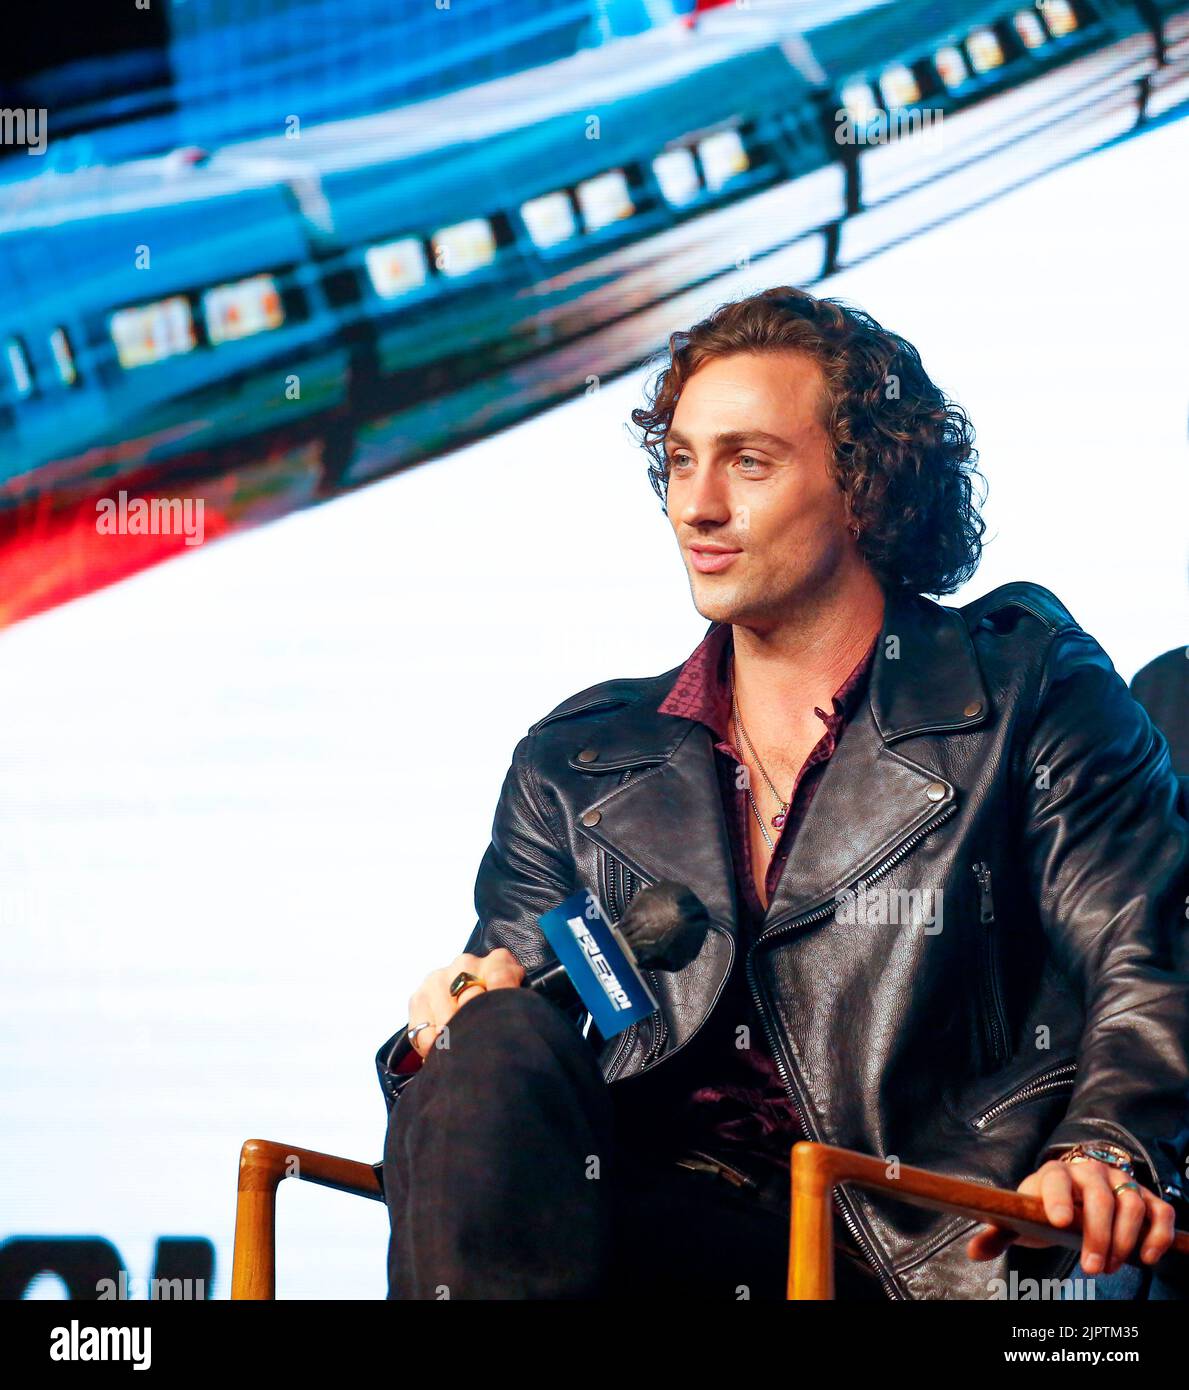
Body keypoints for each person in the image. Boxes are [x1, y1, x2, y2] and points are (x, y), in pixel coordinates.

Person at [377, 286, 1189, 1300]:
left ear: (867, 487)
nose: (695, 504)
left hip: (909, 1248)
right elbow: (504, 1091)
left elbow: (1143, 950)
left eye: (746, 461)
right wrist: (448, 1024)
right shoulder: (574, 764)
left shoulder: (1024, 687)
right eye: (679, 460)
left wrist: (1107, 1150)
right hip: (625, 1238)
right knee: (488, 1033)